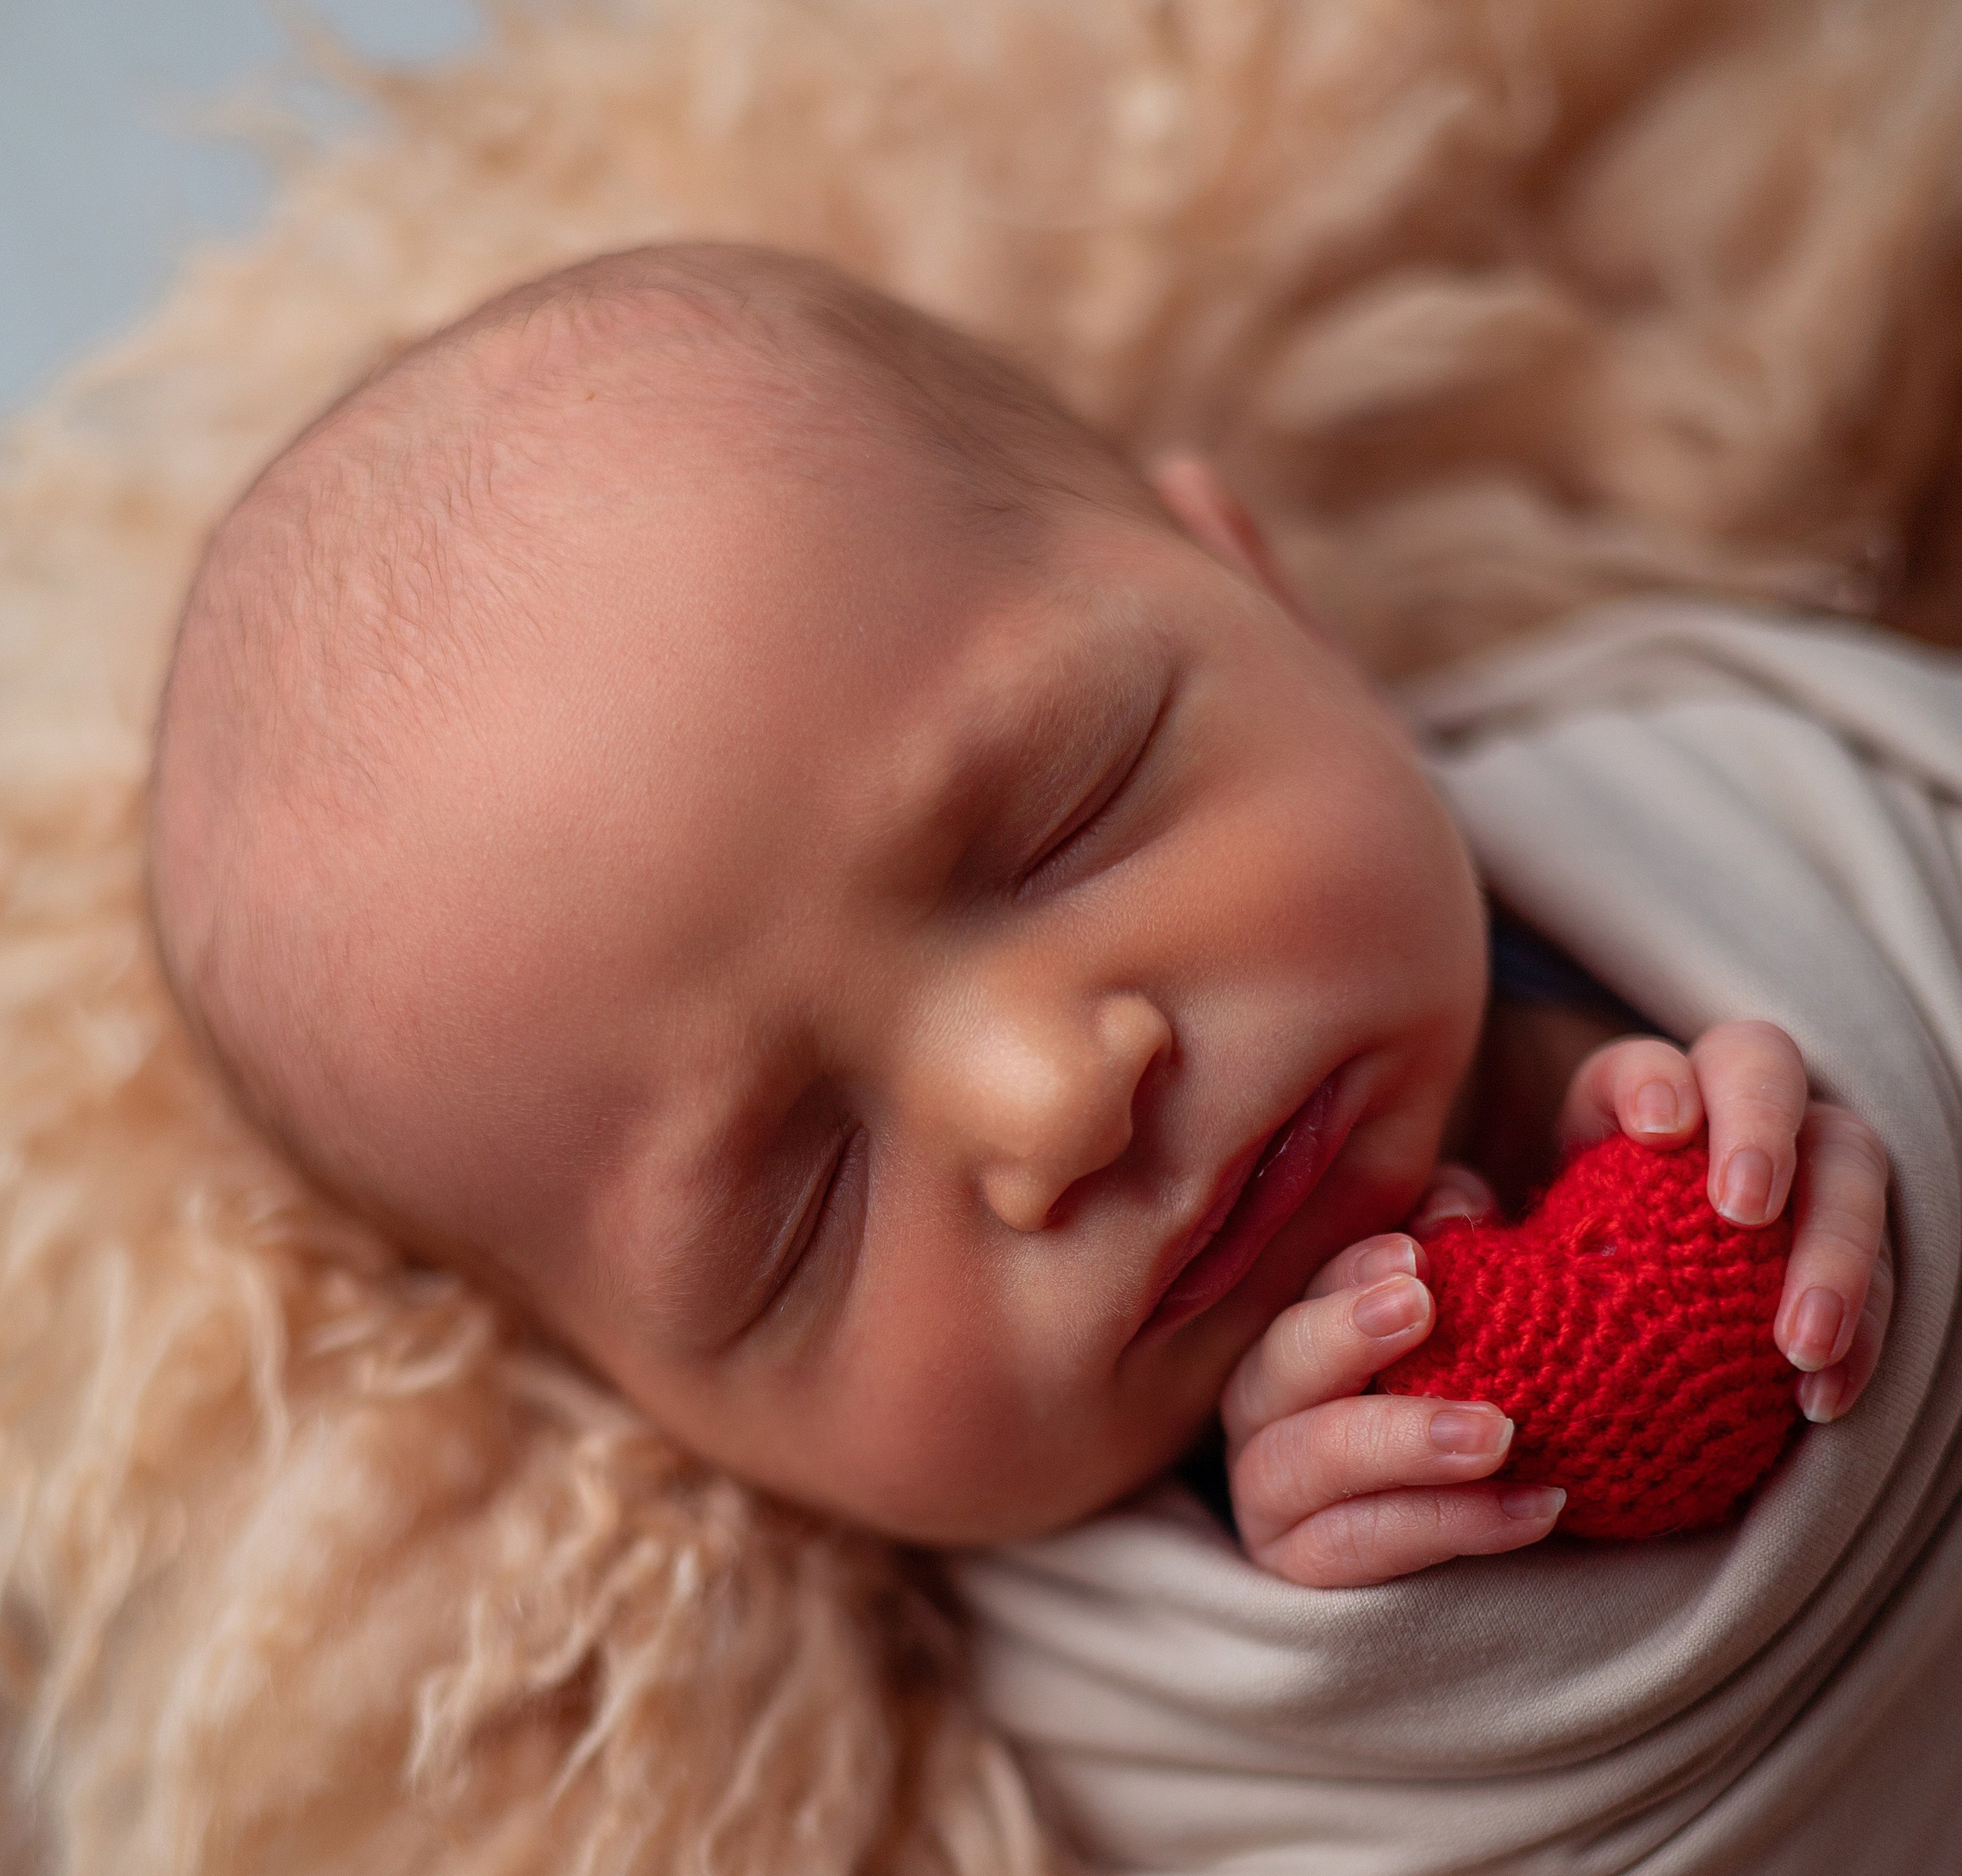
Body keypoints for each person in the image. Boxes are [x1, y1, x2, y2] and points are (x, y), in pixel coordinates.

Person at [144, 241, 1890, 1583]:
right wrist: (1395, 1647)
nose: (1053, 1097)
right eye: (798, 1208)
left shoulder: (1726, 813)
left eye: (1066, 821)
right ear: (650, 1419)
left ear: (1257, 586)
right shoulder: (1029, 1742)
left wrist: (1819, 1096)